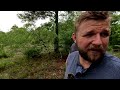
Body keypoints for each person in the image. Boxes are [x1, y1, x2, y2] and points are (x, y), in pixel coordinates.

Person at [64, 11, 120, 79]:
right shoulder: (71, 58)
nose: (98, 42)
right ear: (75, 38)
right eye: (89, 34)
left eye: (104, 34)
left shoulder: (117, 70)